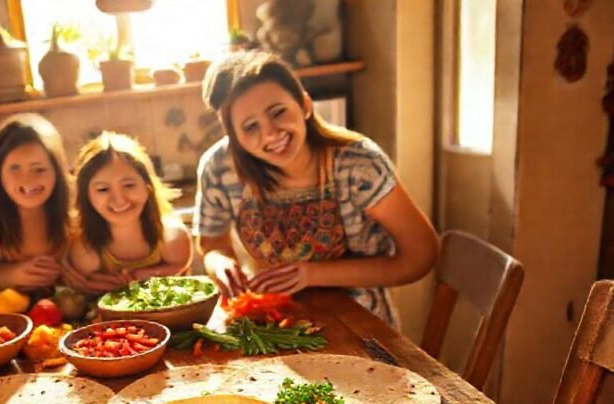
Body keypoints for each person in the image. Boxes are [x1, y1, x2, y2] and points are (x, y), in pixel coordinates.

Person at [194, 51, 438, 326]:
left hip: (364, 327)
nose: (270, 133)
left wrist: (311, 274)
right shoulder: (219, 167)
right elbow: (212, 243)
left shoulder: (358, 164)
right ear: (234, 136)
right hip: (269, 326)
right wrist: (221, 265)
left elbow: (420, 257)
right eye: (250, 127)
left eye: (278, 112)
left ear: (305, 105)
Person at [67, 131, 192, 292]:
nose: (119, 199)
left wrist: (147, 274)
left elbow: (180, 265)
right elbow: (84, 284)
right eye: (103, 189)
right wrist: (107, 284)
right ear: (86, 197)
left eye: (129, 185)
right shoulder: (85, 250)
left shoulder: (172, 237)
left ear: (148, 186)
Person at [0, 114, 71, 296]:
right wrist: (12, 274)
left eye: (39, 169)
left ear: (57, 171)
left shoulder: (75, 207)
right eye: (15, 168)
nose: (27, 179)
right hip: (14, 312)